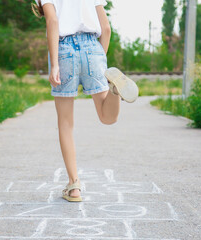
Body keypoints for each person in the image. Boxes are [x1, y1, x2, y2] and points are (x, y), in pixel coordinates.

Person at [32, 0, 138, 202]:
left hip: (64, 49)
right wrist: (97, 60)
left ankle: (74, 186)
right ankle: (115, 90)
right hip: (93, 48)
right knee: (107, 117)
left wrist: (54, 64)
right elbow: (105, 28)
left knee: (65, 122)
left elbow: (53, 21)